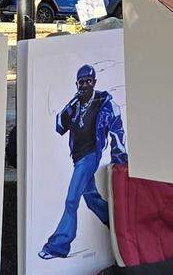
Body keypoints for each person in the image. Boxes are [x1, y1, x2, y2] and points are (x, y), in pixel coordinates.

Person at [39, 64, 128, 259]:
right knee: (92, 200)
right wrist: (72, 102)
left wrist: (120, 158)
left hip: (90, 157)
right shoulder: (76, 105)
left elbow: (117, 131)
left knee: (71, 200)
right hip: (77, 157)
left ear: (94, 82)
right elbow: (59, 126)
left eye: (89, 81)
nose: (85, 85)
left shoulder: (104, 103)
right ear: (77, 84)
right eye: (81, 82)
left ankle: (57, 246)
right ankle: (120, 223)